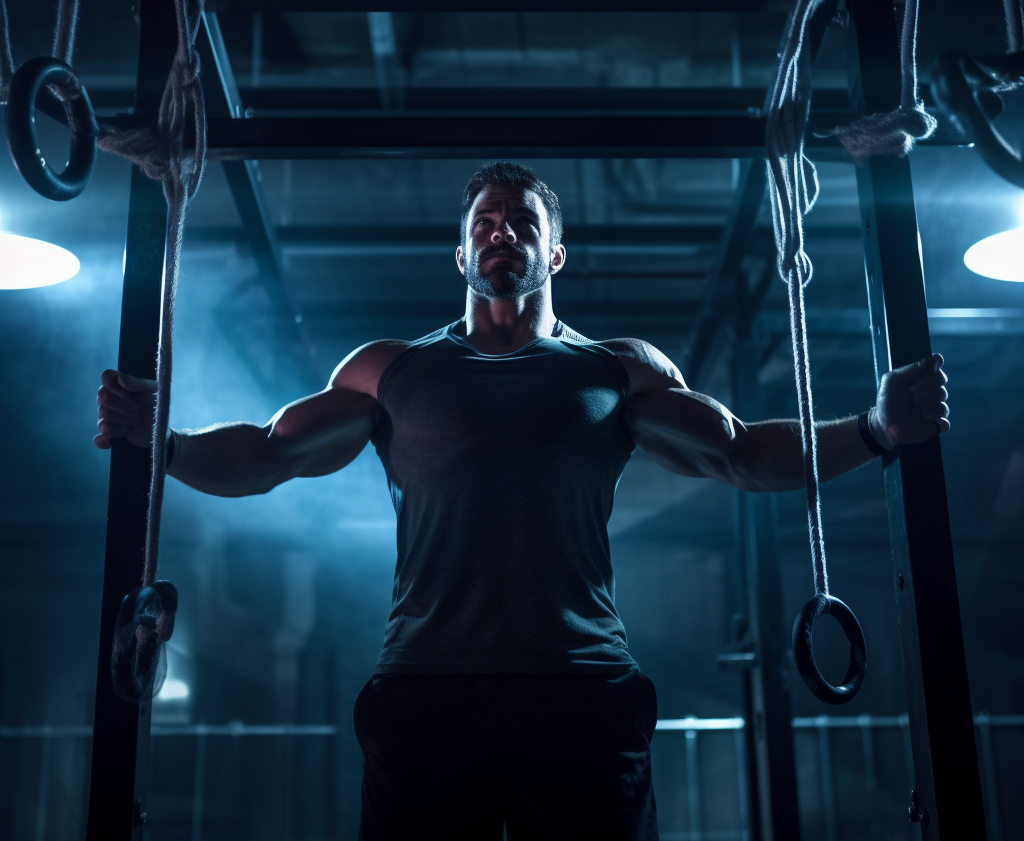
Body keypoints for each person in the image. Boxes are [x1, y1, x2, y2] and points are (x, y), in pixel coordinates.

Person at [94, 162, 950, 841]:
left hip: (579, 697)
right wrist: (160, 444)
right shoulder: (391, 372)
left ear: (556, 253)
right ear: (462, 257)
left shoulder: (617, 371)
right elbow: (270, 454)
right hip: (428, 692)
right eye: (485, 225)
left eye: (522, 222)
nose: (502, 232)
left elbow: (742, 454)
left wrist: (874, 428)